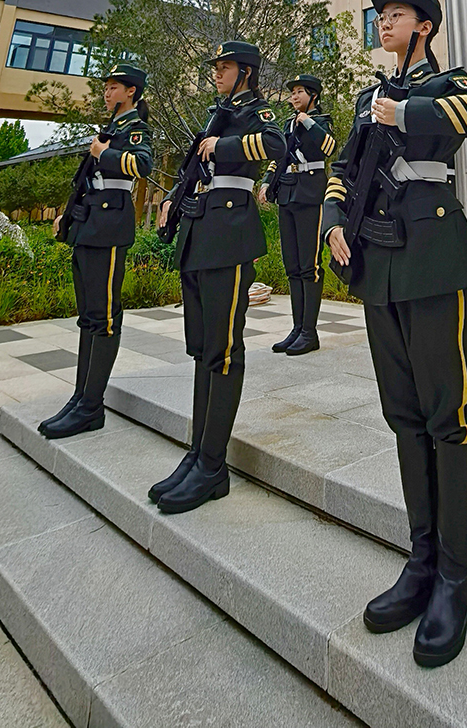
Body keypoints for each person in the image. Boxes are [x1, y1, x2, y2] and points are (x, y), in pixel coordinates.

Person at [323, 0, 467, 670]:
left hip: (432, 257)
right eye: (379, 17)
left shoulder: (446, 84)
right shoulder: (369, 96)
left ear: (423, 26)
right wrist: (333, 223)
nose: (384, 23)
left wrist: (405, 110)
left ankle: (458, 577)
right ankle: (421, 560)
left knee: (447, 414)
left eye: (395, 15)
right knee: (403, 415)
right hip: (378, 261)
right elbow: (343, 170)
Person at [148, 40, 285, 514]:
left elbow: (276, 145)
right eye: (216, 67)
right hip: (201, 228)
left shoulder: (256, 112)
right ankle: (197, 453)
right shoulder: (216, 113)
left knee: (224, 349)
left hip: (229, 230)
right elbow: (193, 167)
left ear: (245, 71)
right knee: (204, 349)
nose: (217, 74)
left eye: (225, 67)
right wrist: (173, 195)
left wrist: (221, 145)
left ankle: (213, 466)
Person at [39, 63, 153, 439]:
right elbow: (86, 182)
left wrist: (104, 153)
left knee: (103, 317)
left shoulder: (134, 128)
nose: (107, 92)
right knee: (88, 316)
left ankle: (91, 406)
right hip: (90, 223)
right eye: (106, 87)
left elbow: (142, 165)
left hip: (109, 224)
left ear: (131, 92)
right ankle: (81, 397)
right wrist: (67, 215)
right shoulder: (110, 128)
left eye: (114, 87)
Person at [261, 73, 335, 356]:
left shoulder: (321, 121)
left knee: (309, 265)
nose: (294, 97)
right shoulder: (287, 124)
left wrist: (309, 123)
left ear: (313, 96)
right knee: (292, 265)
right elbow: (278, 156)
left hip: (310, 193)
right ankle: (296, 328)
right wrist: (267, 182)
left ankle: (309, 332)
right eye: (292, 92)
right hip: (288, 192)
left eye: (300, 92)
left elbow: (329, 147)